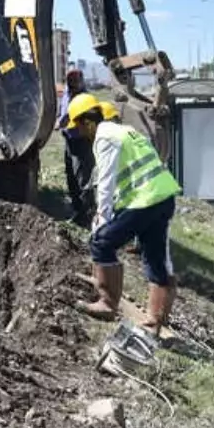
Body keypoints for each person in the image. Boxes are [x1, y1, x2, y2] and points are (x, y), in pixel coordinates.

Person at [67, 93, 181, 338]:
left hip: (144, 201)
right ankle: (155, 322)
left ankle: (107, 304)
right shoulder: (127, 131)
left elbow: (106, 181)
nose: (80, 135)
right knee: (156, 259)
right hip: (162, 197)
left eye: (78, 128)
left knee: (101, 242)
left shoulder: (104, 137)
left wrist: (102, 217)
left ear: (86, 122)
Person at [57, 68, 95, 226]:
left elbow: (72, 116)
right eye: (69, 81)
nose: (72, 85)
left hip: (82, 142)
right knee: (71, 177)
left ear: (81, 81)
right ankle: (78, 211)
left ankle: (88, 215)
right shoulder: (67, 92)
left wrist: (62, 121)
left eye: (75, 81)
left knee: (83, 179)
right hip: (69, 140)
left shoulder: (85, 98)